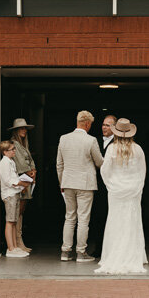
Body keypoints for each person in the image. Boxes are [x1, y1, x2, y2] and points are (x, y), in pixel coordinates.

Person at [95, 118, 148, 275]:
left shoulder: (112, 149)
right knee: (132, 222)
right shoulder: (138, 149)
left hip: (116, 192)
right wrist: (138, 187)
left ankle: (113, 254)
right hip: (133, 191)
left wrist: (111, 186)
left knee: (115, 222)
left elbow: (104, 171)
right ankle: (133, 254)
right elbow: (142, 171)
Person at [57, 110, 104, 262]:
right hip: (85, 184)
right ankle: (81, 252)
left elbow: (59, 164)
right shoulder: (91, 140)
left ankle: (65, 252)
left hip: (68, 182)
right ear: (88, 123)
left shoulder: (63, 139)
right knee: (83, 219)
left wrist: (61, 182)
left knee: (69, 217)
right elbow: (99, 162)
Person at [0, 140, 31, 257]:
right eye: (12, 149)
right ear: (5, 151)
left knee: (13, 221)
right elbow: (7, 180)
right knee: (10, 221)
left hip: (14, 193)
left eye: (14, 149)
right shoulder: (4, 163)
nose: (14, 151)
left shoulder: (10, 162)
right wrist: (21, 183)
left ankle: (15, 247)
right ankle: (10, 248)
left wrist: (21, 184)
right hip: (10, 194)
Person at [90, 114, 117, 257]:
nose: (104, 127)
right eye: (103, 124)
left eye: (108, 125)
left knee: (113, 217)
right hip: (98, 185)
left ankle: (112, 250)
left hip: (113, 185)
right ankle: (99, 248)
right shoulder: (95, 141)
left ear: (115, 127)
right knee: (99, 217)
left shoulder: (119, 143)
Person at [9, 118, 37, 254]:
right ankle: (18, 241)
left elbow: (30, 162)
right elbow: (21, 164)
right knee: (18, 212)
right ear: (15, 131)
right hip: (21, 182)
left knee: (21, 212)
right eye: (21, 128)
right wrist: (30, 172)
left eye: (25, 128)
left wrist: (33, 171)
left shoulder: (24, 145)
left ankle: (19, 241)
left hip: (27, 180)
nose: (24, 130)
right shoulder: (14, 144)